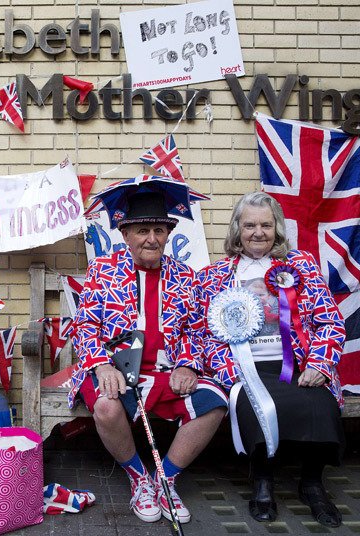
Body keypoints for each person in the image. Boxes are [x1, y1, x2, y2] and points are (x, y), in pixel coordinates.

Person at [69, 190, 228, 524]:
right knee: (105, 406)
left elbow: (196, 330)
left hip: (165, 371)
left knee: (214, 402)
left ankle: (165, 479)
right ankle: (140, 478)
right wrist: (100, 364)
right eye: (142, 231)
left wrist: (187, 363)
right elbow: (84, 325)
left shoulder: (186, 276)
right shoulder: (104, 270)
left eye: (159, 230)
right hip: (116, 369)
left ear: (169, 233)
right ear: (125, 234)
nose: (152, 239)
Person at [195, 191, 346, 527]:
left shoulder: (300, 265)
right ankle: (262, 481)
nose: (258, 232)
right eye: (249, 225)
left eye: (266, 224)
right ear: (237, 229)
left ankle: (312, 484)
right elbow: (202, 333)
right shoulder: (213, 275)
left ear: (277, 229)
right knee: (252, 402)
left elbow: (330, 321)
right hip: (244, 366)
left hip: (298, 363)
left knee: (321, 404)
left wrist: (320, 364)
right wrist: (231, 372)